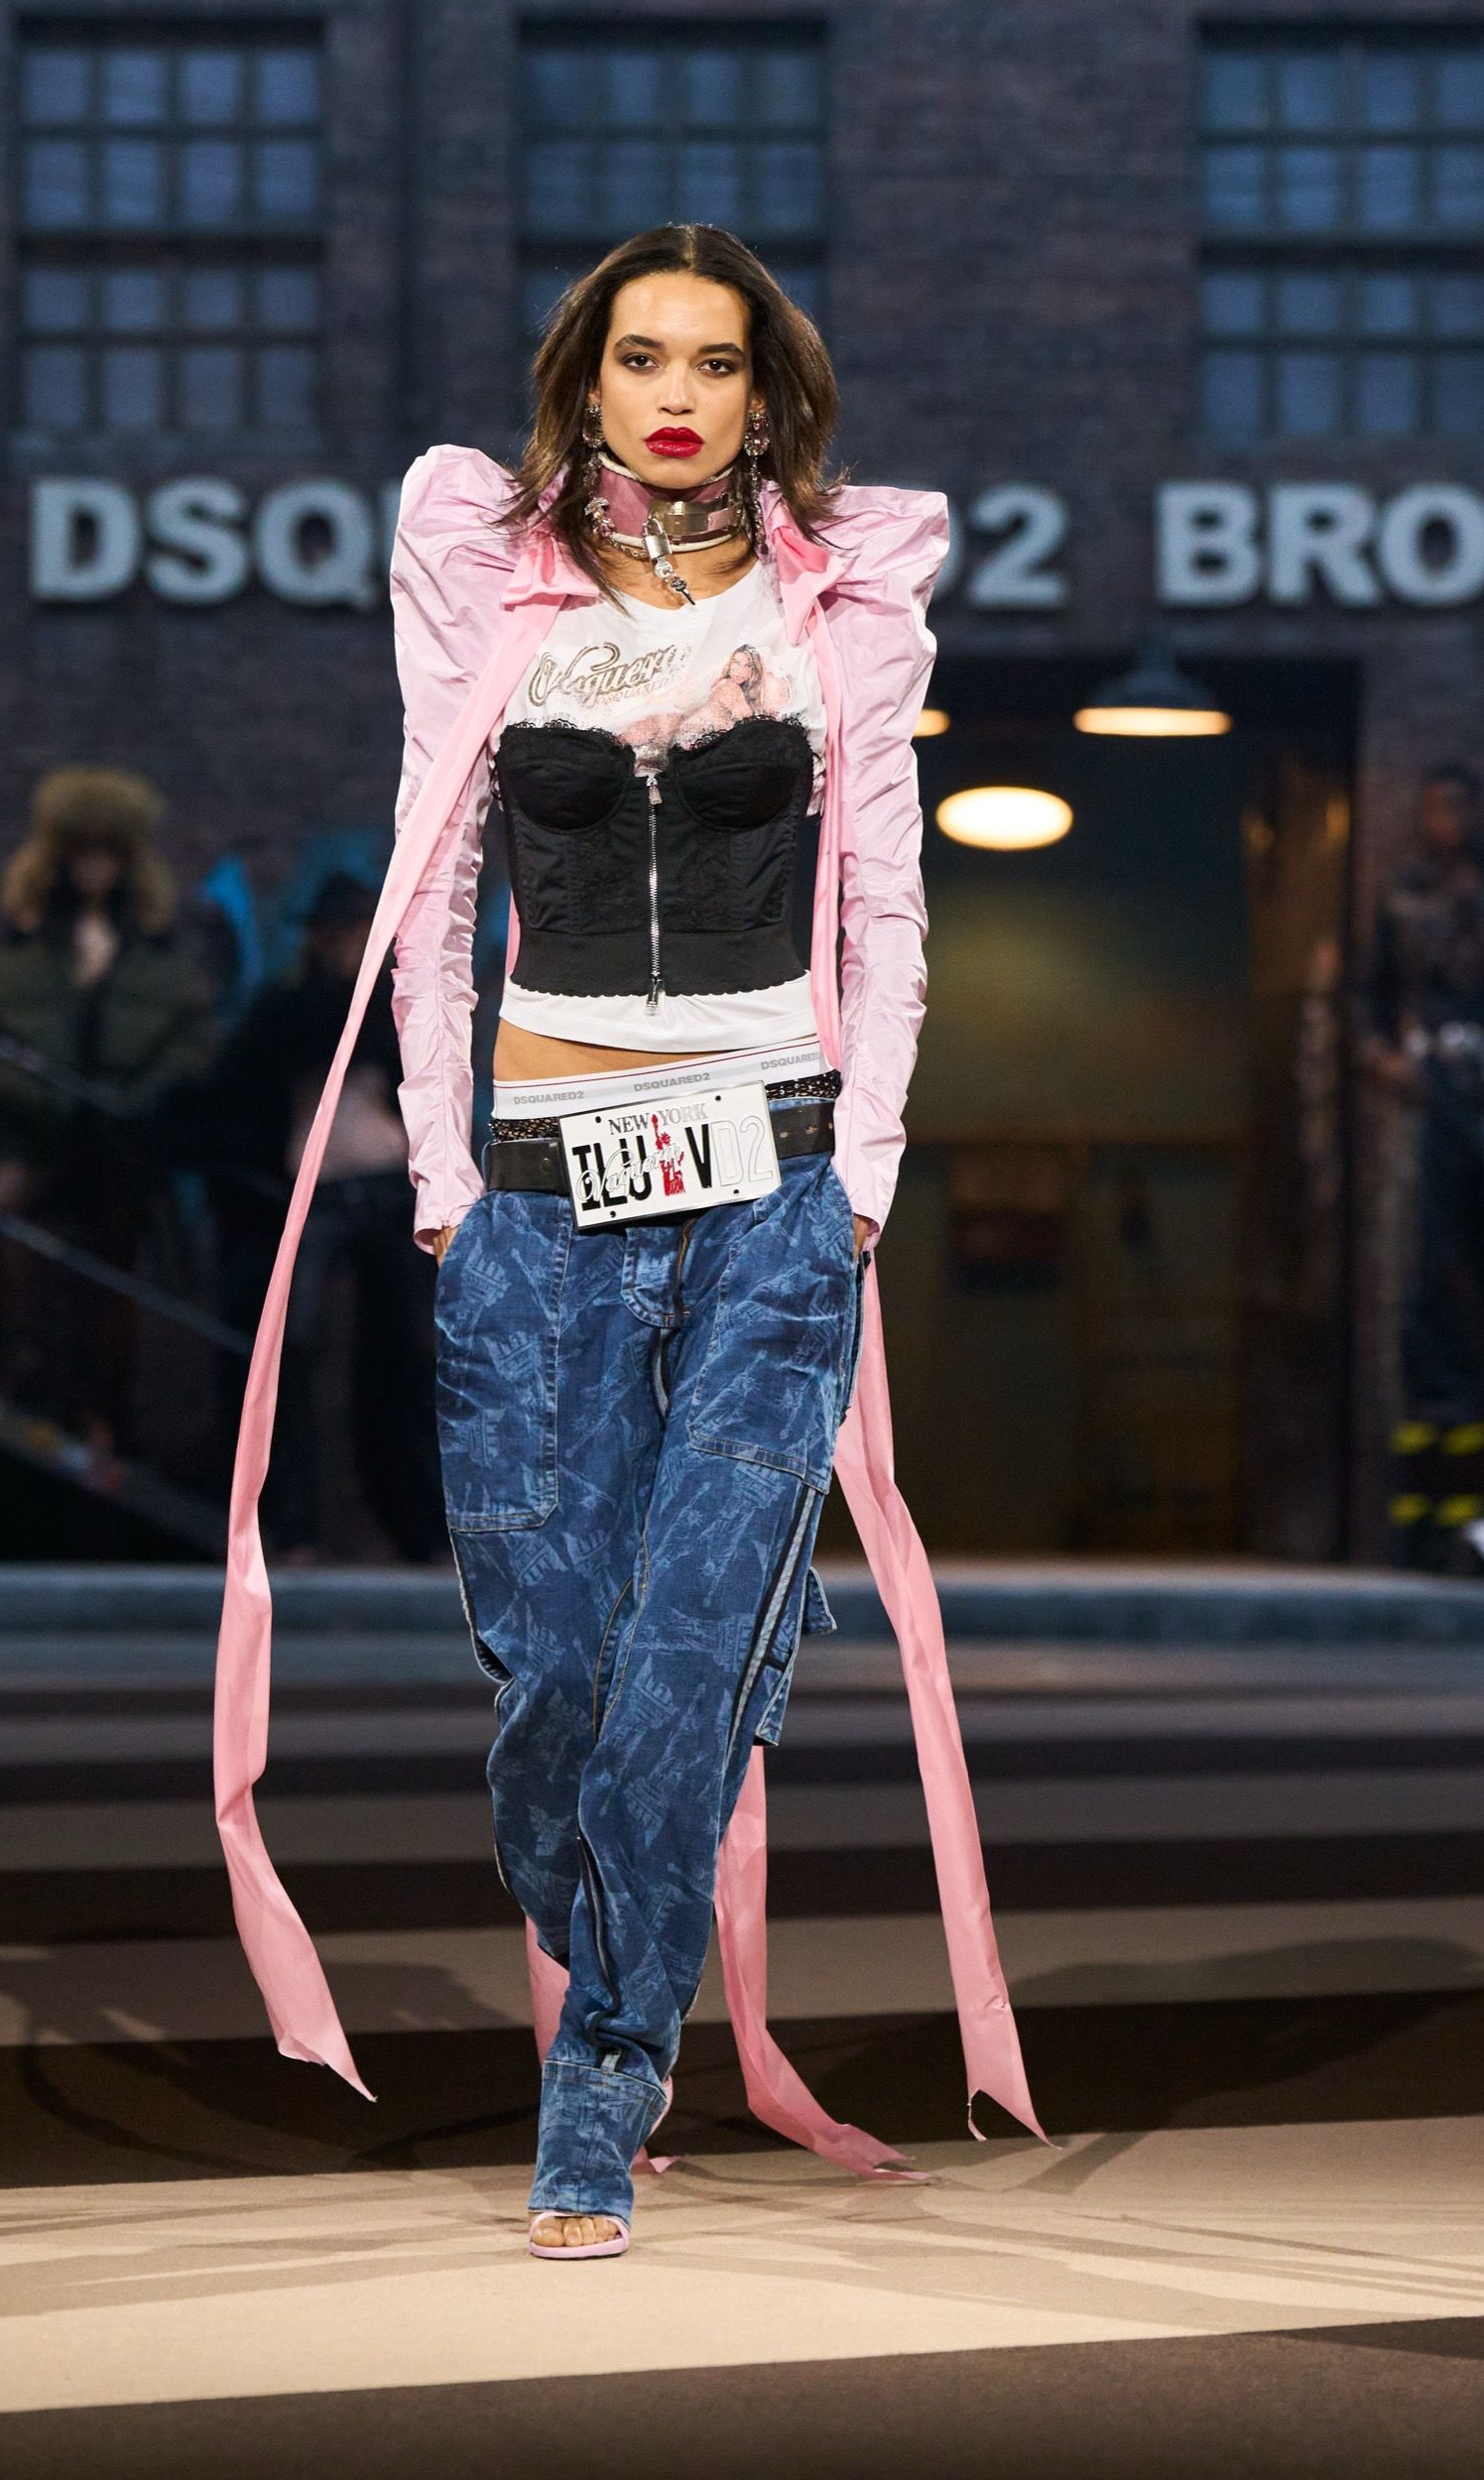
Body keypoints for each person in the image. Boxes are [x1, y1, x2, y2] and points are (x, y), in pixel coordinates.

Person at [213, 223, 1041, 2261]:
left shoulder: (839, 601)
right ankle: (619, 1929)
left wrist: (863, 1171)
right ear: (583, 379)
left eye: (717, 362)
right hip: (535, 1188)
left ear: (767, 397)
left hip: (774, 1183)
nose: (677, 394)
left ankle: (602, 2074)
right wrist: (438, 1168)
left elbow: (884, 897)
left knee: (681, 1658)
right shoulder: (488, 579)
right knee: (557, 1670)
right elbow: (429, 885)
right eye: (641, 356)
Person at [0, 766, 214, 1448]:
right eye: (83, 853)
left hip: (121, 1140)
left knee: (114, 1259)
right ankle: (19, 1361)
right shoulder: (28, 948)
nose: (95, 867)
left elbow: (188, 1042)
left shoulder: (151, 951)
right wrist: (37, 1097)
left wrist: (139, 1097)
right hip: (43, 1134)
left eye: (107, 853)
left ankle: (103, 1406)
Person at [203, 870, 442, 1562]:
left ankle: (416, 1528)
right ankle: (297, 1526)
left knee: (403, 1357)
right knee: (293, 1353)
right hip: (315, 1193)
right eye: (336, 932)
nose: (345, 944)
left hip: (384, 1190)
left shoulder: (395, 1008)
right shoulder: (289, 1011)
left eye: (357, 931)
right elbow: (244, 1095)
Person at [1363, 760, 1484, 1566]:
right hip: (1430, 1095)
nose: (1450, 820)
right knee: (1427, 1282)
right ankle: (1426, 1520)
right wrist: (1384, 1059)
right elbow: (1366, 999)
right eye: (1438, 807)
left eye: (1461, 807)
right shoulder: (1404, 896)